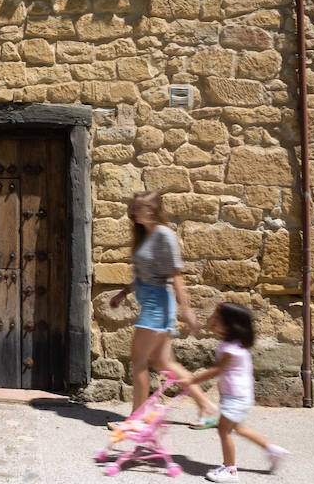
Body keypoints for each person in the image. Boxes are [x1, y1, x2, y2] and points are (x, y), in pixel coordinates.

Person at [109, 190, 218, 428]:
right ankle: (207, 407)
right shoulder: (146, 236)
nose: (133, 212)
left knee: (138, 361)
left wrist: (186, 308)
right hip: (152, 301)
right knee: (163, 363)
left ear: (153, 209)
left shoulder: (163, 235)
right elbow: (145, 275)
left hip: (158, 304)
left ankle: (137, 419)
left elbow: (175, 274)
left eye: (138, 207)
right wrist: (124, 293)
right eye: (134, 207)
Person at [178, 303, 288, 482]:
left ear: (231, 326)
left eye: (217, 318)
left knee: (224, 431)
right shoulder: (233, 343)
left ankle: (230, 470)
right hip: (239, 395)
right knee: (238, 428)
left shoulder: (231, 349)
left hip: (236, 397)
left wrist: (191, 381)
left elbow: (217, 370)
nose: (211, 320)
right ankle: (273, 450)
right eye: (213, 315)